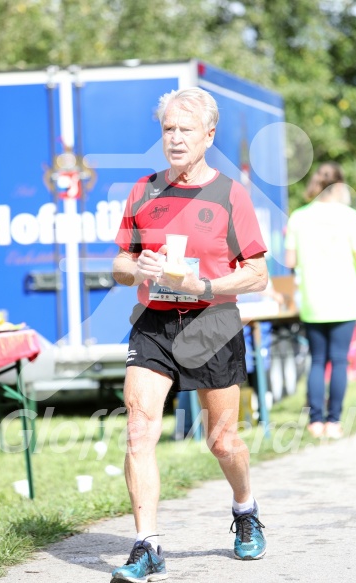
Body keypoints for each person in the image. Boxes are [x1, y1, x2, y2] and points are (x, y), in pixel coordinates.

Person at [111, 87, 268, 581]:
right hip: (155, 322)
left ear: (209, 135)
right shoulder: (143, 191)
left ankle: (245, 511)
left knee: (221, 441)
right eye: (167, 129)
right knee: (138, 427)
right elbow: (118, 261)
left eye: (185, 129)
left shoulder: (229, 194)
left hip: (212, 323)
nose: (175, 139)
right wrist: (138, 269)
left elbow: (257, 274)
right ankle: (147, 544)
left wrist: (203, 283)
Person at [285, 162, 356, 440]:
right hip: (344, 298)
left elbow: (290, 260)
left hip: (312, 298)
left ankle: (315, 423)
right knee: (339, 360)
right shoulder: (351, 218)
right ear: (340, 187)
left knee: (317, 360)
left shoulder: (298, 217)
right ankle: (334, 423)